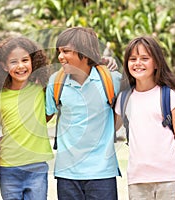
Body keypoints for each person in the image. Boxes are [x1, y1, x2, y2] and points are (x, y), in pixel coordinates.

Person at [45, 27, 122, 200]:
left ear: (84, 53)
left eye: (66, 51)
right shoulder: (55, 83)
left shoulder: (112, 80)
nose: (60, 57)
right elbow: (44, 116)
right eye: (59, 51)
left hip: (102, 173)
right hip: (67, 174)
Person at [115, 36, 175, 200]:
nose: (138, 63)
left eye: (144, 58)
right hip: (137, 181)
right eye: (133, 59)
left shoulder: (170, 97)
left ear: (156, 63)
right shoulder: (124, 99)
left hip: (169, 179)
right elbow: (109, 129)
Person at [0, 36, 54, 200]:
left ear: (33, 62)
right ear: (4, 65)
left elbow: (46, 114)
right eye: (14, 62)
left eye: (25, 60)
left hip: (37, 166)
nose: (21, 66)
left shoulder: (40, 90)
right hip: (9, 168)